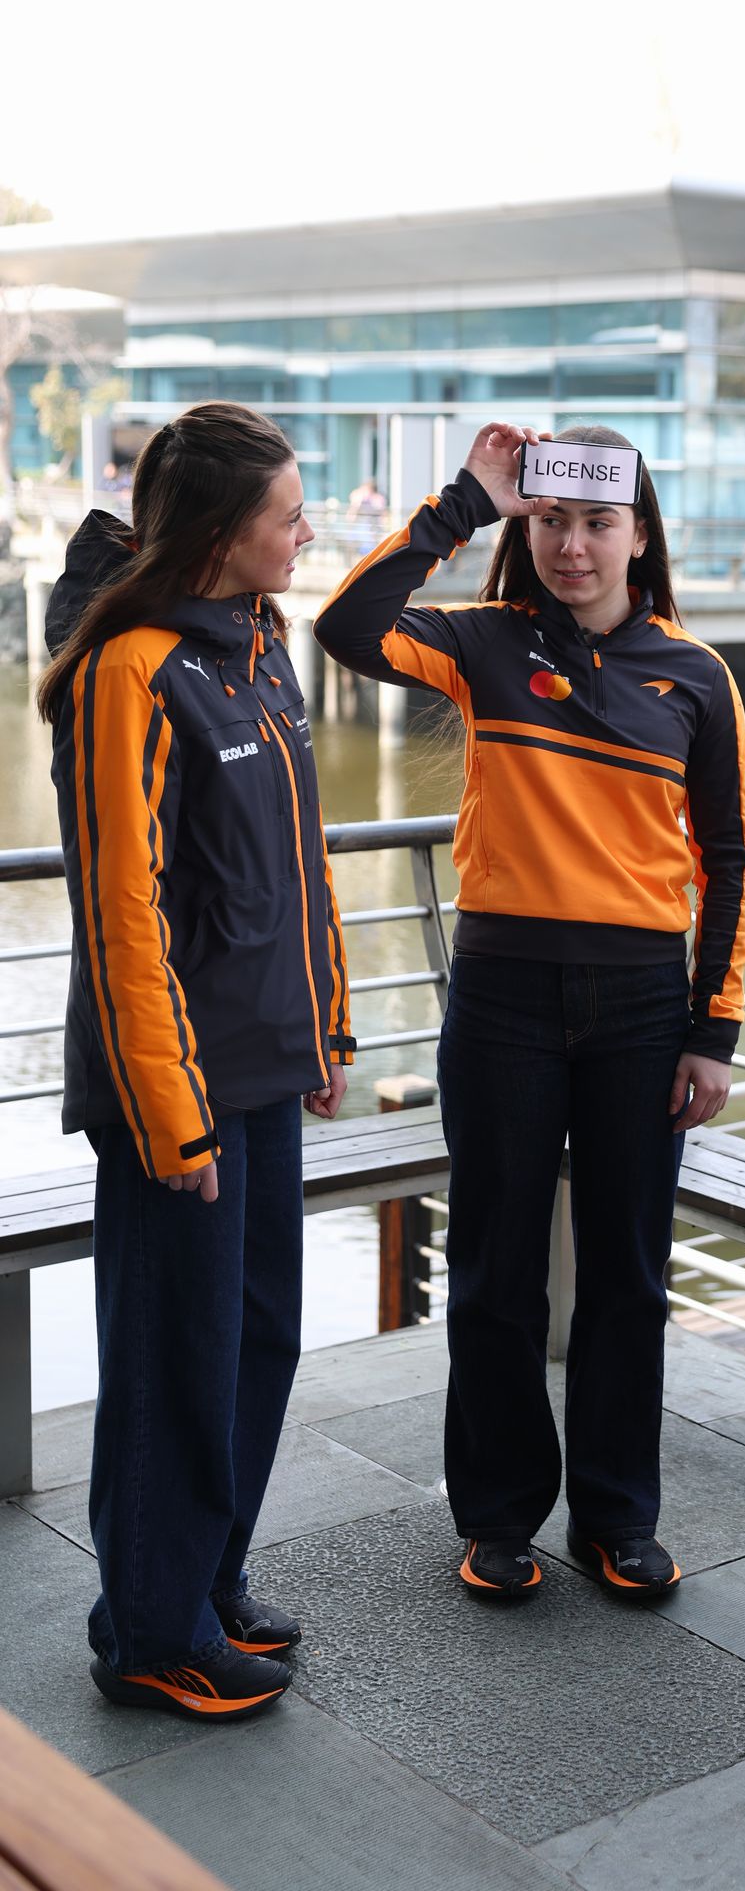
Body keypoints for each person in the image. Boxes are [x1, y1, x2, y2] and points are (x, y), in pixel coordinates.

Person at [314, 422, 745, 1599]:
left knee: (626, 1275)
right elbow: (345, 626)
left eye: (597, 522)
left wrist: (711, 1030)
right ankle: (499, 1514)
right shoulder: (483, 644)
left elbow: (727, 857)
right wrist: (465, 502)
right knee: (494, 1269)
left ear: (639, 535)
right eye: (552, 520)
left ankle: (616, 1518)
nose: (572, 546)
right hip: (502, 998)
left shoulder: (695, 677)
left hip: (640, 1008)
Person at [38, 402, 355, 1721]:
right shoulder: (132, 670)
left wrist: (327, 1019)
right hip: (175, 1092)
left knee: (256, 1342)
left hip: (268, 1063)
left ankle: (202, 1582)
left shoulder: (257, 644)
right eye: (290, 514)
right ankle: (150, 1636)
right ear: (224, 533)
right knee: (174, 1360)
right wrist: (171, 1117)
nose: (307, 532)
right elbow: (124, 912)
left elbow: (301, 854)